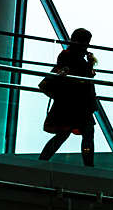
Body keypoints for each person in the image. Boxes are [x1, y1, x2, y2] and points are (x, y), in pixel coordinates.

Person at [38, 28, 98, 166]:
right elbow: (82, 80)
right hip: (77, 104)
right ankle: (89, 166)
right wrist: (89, 66)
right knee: (86, 133)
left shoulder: (68, 55)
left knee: (63, 134)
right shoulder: (74, 57)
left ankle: (42, 162)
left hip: (69, 103)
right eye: (86, 42)